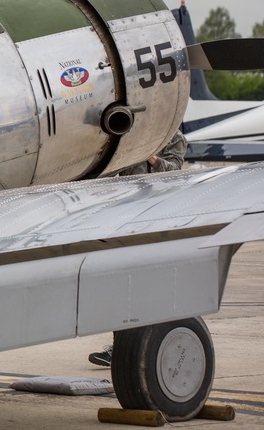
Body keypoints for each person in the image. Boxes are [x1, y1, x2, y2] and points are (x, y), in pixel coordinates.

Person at [87, 129, 188, 367]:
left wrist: (149, 155)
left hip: (154, 219)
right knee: (121, 286)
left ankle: (156, 349)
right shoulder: (129, 134)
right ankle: (119, 350)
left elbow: (174, 172)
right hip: (125, 217)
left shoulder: (174, 137)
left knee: (151, 288)